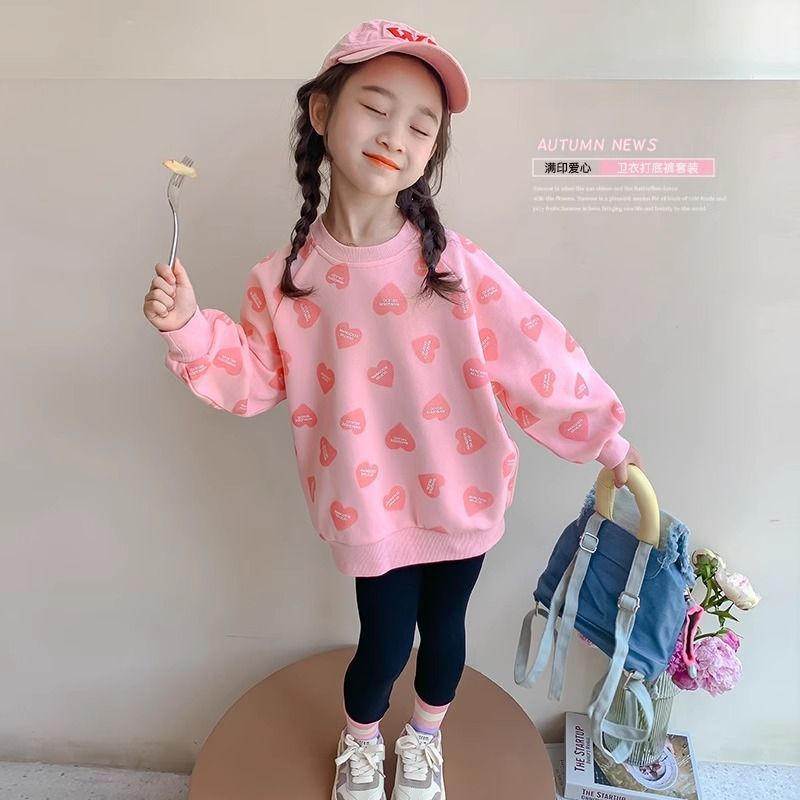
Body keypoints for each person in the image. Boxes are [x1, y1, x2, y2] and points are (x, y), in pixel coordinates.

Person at [143, 18, 644, 800]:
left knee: (444, 637)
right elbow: (253, 378)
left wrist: (606, 438)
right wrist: (187, 329)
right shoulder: (284, 280)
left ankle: (424, 743)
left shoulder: (452, 264)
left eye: (420, 126)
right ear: (321, 113)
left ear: (432, 150)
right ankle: (361, 741)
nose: (394, 136)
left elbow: (535, 354)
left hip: (465, 491)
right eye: (375, 108)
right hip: (365, 502)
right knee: (381, 643)